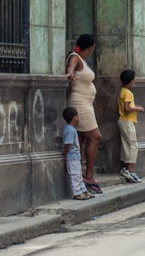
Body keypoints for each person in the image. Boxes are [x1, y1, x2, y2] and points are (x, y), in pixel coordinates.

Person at [66, 34, 103, 194]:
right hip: (80, 104)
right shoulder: (75, 57)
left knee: (80, 139)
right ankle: (88, 175)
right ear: (89, 47)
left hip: (85, 103)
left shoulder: (82, 59)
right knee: (95, 137)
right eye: (92, 48)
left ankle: (81, 175)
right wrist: (70, 72)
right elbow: (71, 67)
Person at [117, 69, 144, 183]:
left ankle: (126, 168)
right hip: (127, 121)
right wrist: (137, 108)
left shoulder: (122, 91)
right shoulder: (127, 93)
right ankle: (130, 170)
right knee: (133, 145)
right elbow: (127, 109)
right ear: (131, 80)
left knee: (126, 145)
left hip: (123, 121)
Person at [62, 107, 93, 200]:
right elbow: (68, 144)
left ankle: (83, 190)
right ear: (74, 117)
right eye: (78, 115)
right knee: (75, 175)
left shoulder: (71, 129)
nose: (79, 118)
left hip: (75, 156)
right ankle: (77, 192)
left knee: (79, 175)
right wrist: (65, 154)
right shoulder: (70, 130)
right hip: (71, 157)